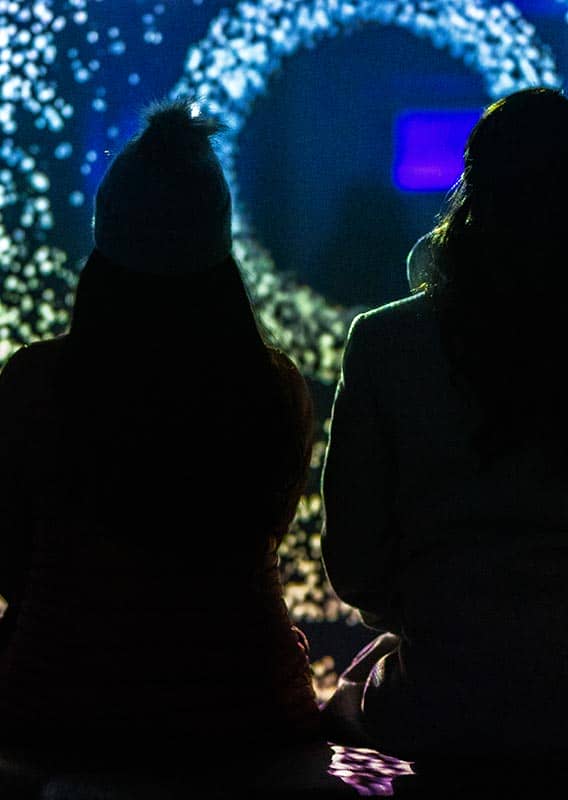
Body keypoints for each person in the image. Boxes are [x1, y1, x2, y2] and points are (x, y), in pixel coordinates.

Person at [0, 98, 323, 757]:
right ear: (219, 244)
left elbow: (12, 563)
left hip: (58, 705)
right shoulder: (274, 388)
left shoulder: (34, 382)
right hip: (251, 706)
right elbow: (266, 539)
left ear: (104, 236)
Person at [320, 87, 568, 761]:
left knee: (343, 698)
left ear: (473, 194)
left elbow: (356, 565)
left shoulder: (385, 342)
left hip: (445, 701)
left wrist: (434, 620)